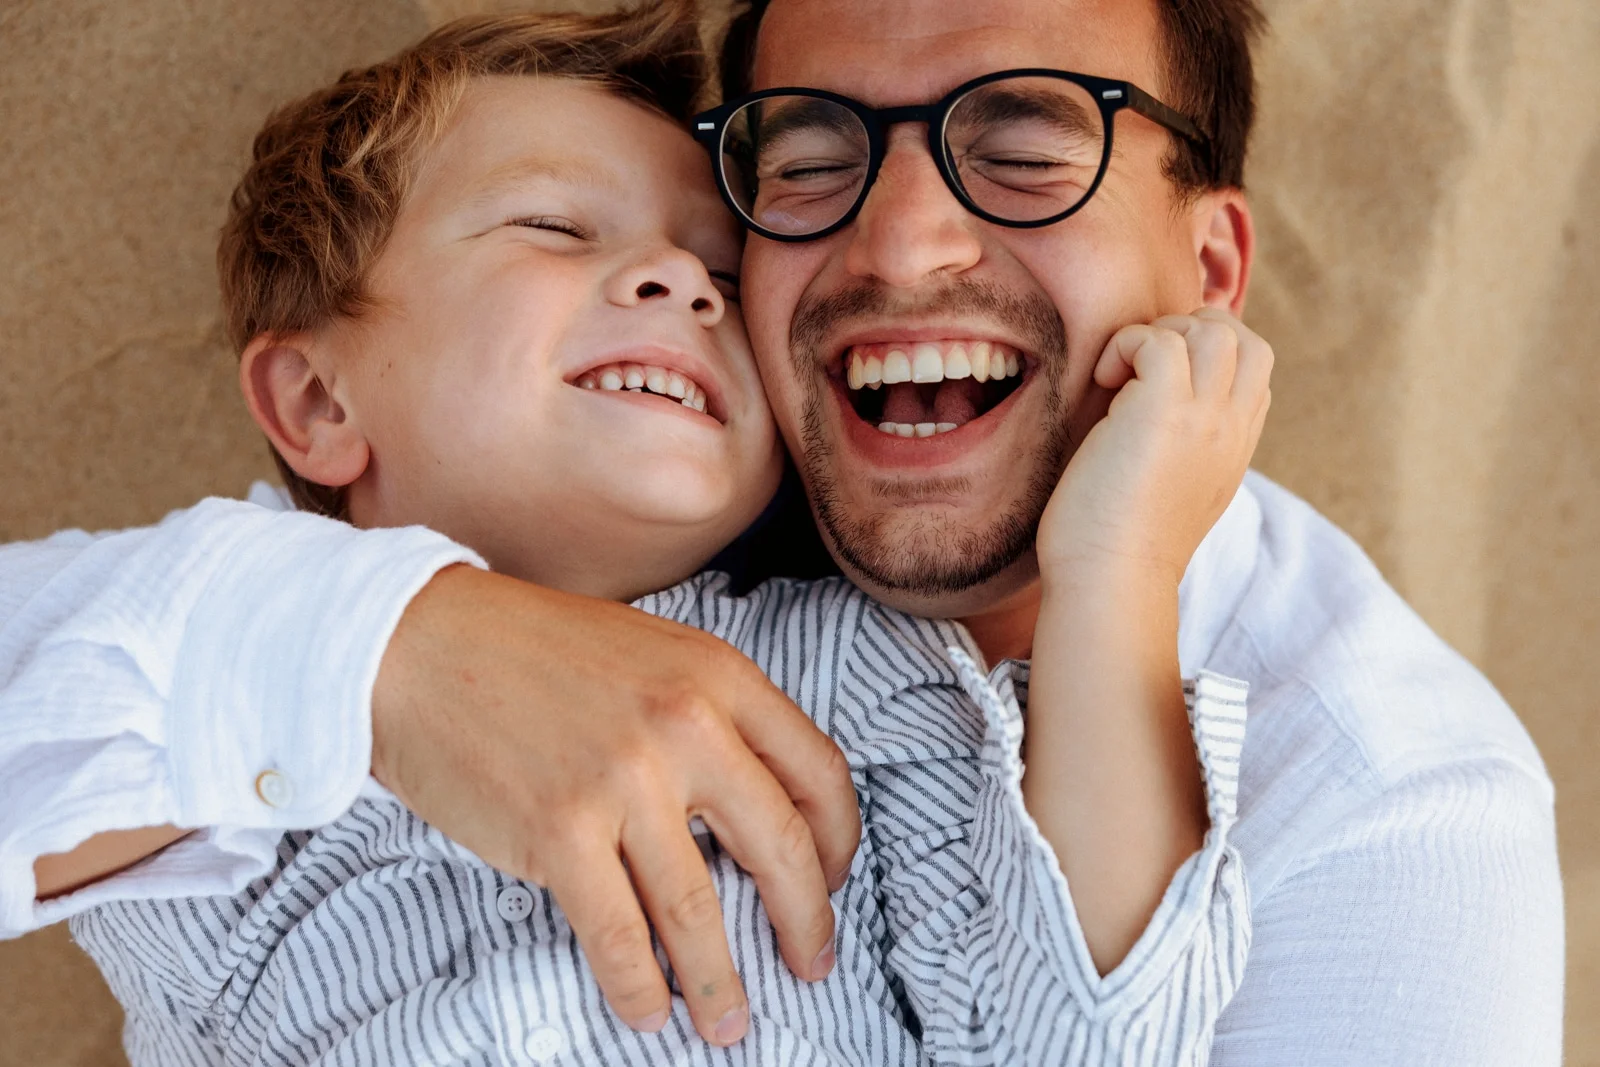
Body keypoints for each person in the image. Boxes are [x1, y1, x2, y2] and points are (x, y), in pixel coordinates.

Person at [0, 0, 1563, 1062]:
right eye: (809, 160)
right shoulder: (205, 679)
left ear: (1212, 267)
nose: (898, 238)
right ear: (317, 401)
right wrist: (387, 647)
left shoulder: (1370, 792)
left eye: (1025, 145)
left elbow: (1067, 1025)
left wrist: (1116, 583)